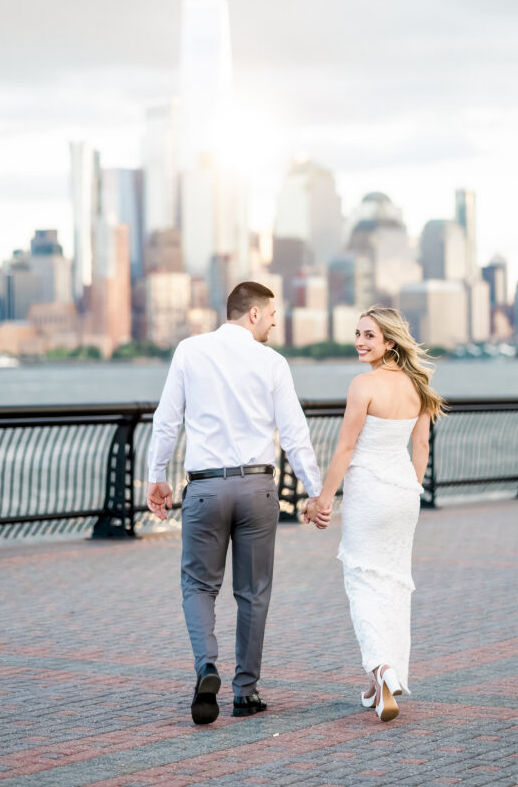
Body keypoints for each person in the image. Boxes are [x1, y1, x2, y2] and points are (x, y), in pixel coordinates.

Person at [147, 281, 330, 725]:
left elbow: (167, 420)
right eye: (270, 314)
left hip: (206, 487)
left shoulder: (189, 351)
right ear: (251, 314)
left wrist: (156, 477)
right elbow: (294, 433)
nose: (273, 322)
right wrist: (315, 491)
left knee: (198, 586)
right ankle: (245, 693)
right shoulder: (272, 362)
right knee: (254, 594)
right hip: (257, 488)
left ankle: (206, 667)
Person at [304, 306, 444, 722]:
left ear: (389, 342)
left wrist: (324, 499)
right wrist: (412, 488)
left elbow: (346, 448)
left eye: (369, 335)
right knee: (394, 583)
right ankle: (384, 680)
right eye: (358, 334)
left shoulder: (362, 385)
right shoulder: (419, 385)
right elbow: (421, 446)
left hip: (369, 492)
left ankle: (381, 668)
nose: (360, 342)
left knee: (363, 581)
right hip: (404, 493)